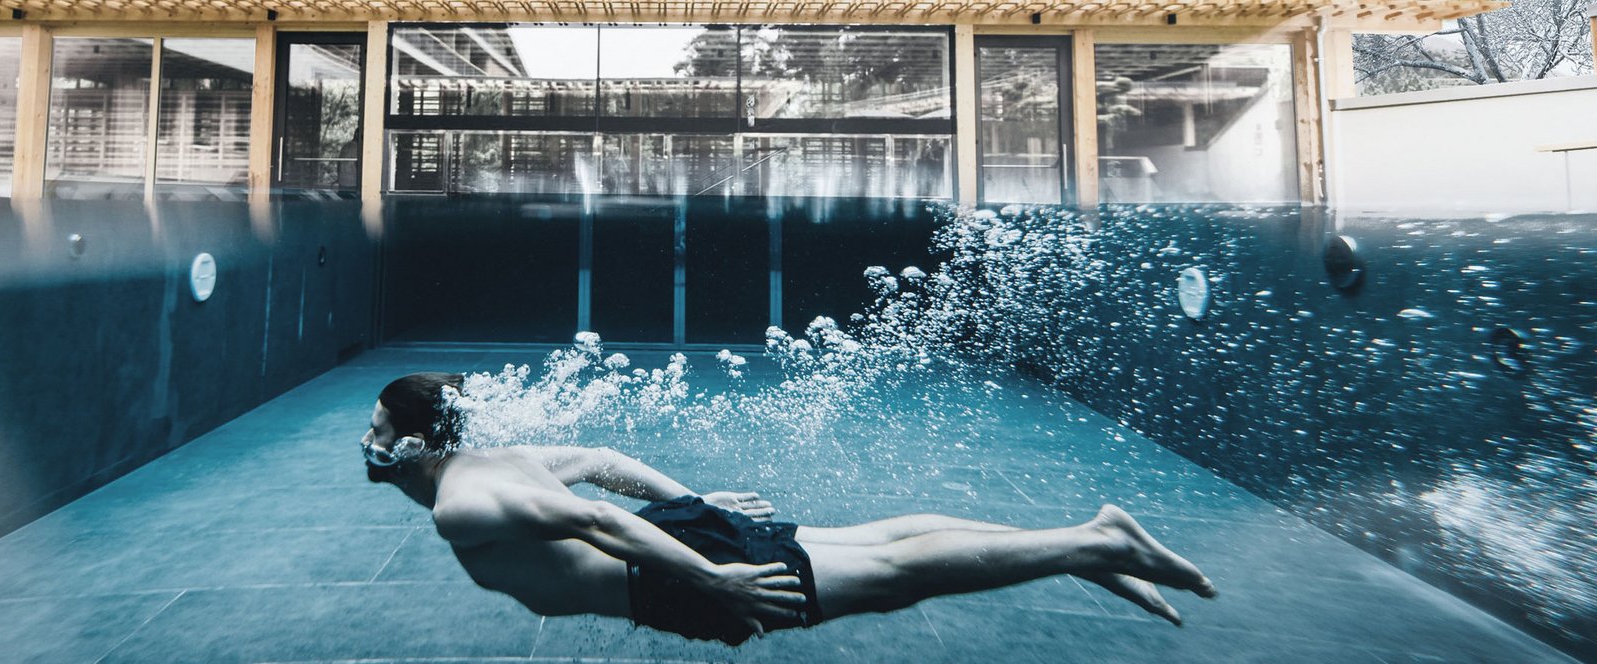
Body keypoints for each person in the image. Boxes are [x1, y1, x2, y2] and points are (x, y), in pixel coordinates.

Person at [363, 372, 1216, 646]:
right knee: (886, 542)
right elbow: (600, 463)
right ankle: (1096, 552)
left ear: (410, 444)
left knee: (891, 574)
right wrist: (694, 506)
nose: (367, 446)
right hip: (678, 539)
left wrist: (720, 581)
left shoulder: (460, 506)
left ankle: (1092, 542)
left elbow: (598, 522)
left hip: (664, 574)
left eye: (376, 432)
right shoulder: (489, 462)